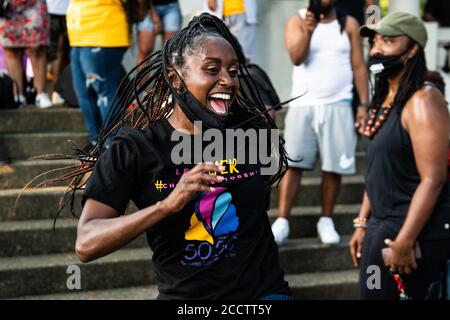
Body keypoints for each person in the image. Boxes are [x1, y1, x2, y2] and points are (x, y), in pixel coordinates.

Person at [56, 13, 293, 300]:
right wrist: (166, 206)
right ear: (175, 77)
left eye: (233, 71)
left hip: (263, 295)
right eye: (212, 69)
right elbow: (86, 243)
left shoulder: (251, 132)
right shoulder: (136, 149)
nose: (228, 80)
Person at [349, 11, 450, 300]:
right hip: (382, 226)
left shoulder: (423, 100)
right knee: (369, 294)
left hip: (412, 229)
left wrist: (405, 240)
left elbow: (433, 179)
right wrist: (362, 222)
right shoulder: (384, 100)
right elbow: (378, 169)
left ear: (413, 49)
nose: (378, 48)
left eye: (389, 41)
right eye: (376, 41)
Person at [271, 0, 369, 245]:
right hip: (303, 105)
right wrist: (309, 30)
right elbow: (296, 57)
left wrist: (364, 105)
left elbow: (358, 66)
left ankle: (326, 220)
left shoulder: (349, 23)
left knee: (333, 167)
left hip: (339, 104)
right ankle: (282, 221)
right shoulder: (297, 20)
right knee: (293, 164)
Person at [66, 0, 130, 150]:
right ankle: (97, 144)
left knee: (105, 91)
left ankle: (113, 146)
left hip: (102, 32)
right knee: (83, 93)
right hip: (79, 35)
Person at [0, 0, 52, 108]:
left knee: (37, 48)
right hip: (7, 6)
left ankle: (40, 93)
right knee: (11, 50)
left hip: (34, 4)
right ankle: (18, 95)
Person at [45, 0, 70, 105]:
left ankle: (60, 91)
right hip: (48, 10)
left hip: (72, 11)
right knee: (50, 53)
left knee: (65, 53)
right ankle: (48, 91)